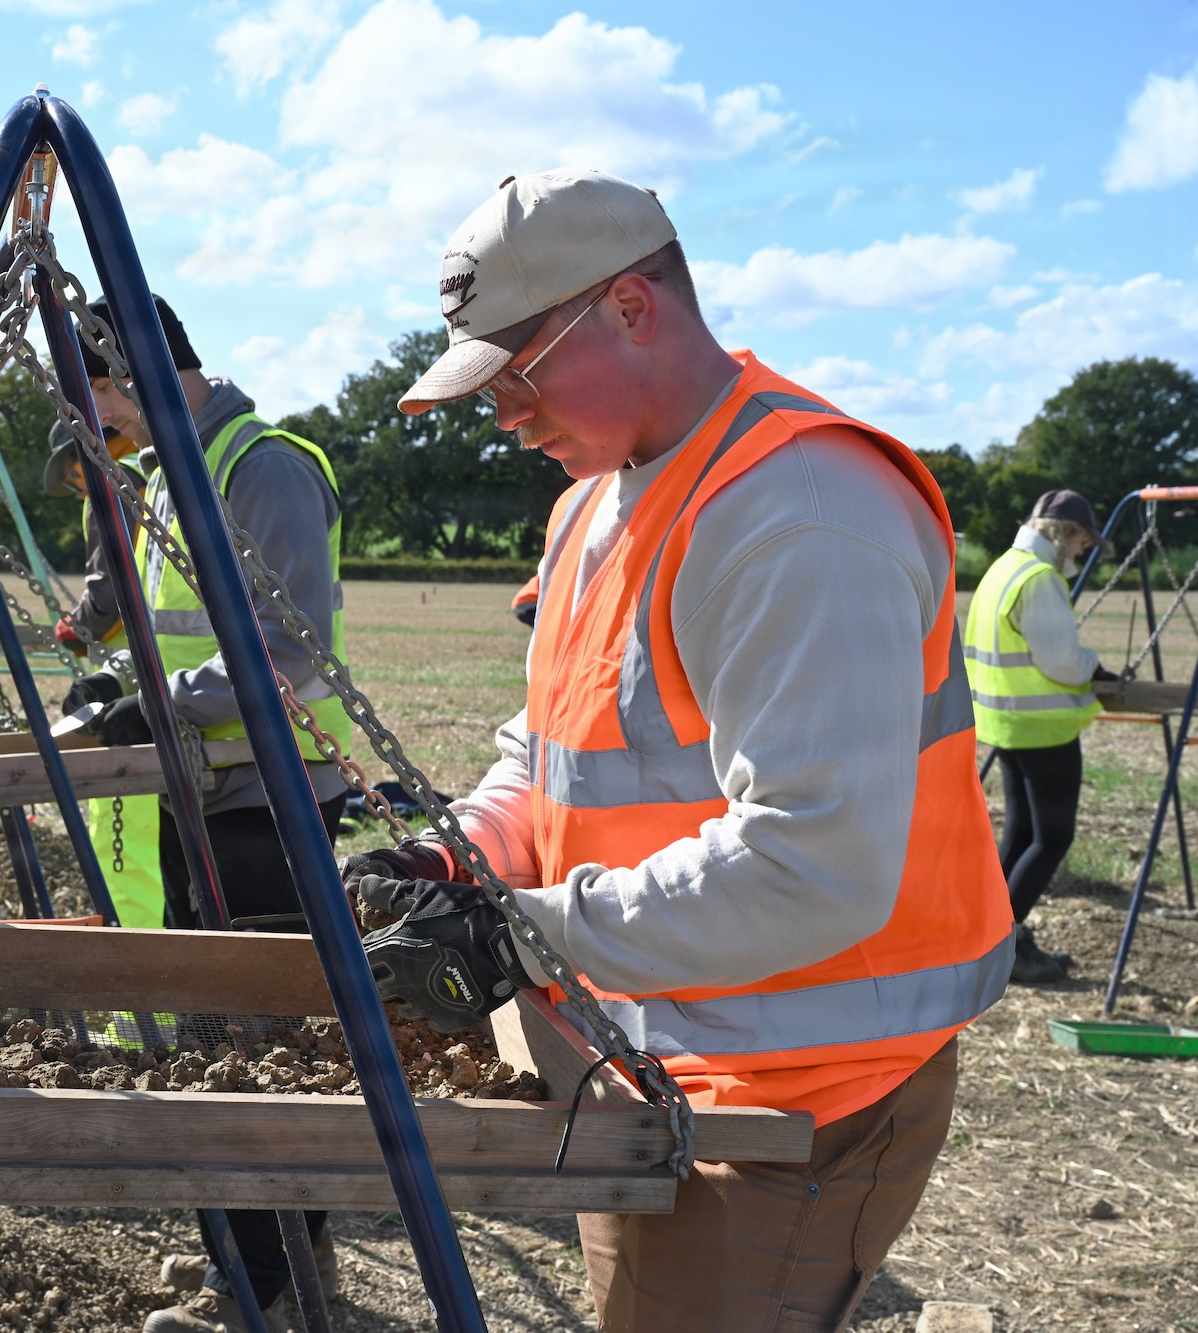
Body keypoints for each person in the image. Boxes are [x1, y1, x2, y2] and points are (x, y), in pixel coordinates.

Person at [344, 169, 1012, 1331]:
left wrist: (524, 930)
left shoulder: (797, 510)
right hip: (654, 1048)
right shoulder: (594, 502)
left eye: (515, 373)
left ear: (628, 307)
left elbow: (811, 861)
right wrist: (460, 858)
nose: (501, 412)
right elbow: (549, 759)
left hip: (800, 1096)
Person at [54, 295, 345, 1333]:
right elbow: (179, 637)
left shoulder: (257, 469)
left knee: (259, 1040)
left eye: (86, 400)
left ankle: (258, 1287)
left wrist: (156, 703)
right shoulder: (172, 480)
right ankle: (267, 1257)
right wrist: (121, 691)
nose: (90, 430)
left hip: (262, 803)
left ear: (120, 372)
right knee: (217, 1031)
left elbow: (292, 648)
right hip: (199, 787)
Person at [965, 489, 1115, 984]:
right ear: (1064, 533)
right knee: (1053, 837)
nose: (1079, 552)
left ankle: (983, 939)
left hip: (1005, 722)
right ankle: (1008, 943)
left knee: (1022, 834)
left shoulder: (1004, 568)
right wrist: (1095, 666)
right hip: (1042, 727)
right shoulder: (1040, 579)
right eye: (1081, 541)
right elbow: (1060, 660)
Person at [44, 421, 168, 937]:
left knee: (126, 842)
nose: (76, 486)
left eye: (72, 476)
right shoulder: (155, 480)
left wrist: (77, 626)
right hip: (165, 672)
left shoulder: (109, 484)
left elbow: (110, 590)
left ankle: (142, 1008)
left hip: (129, 683)